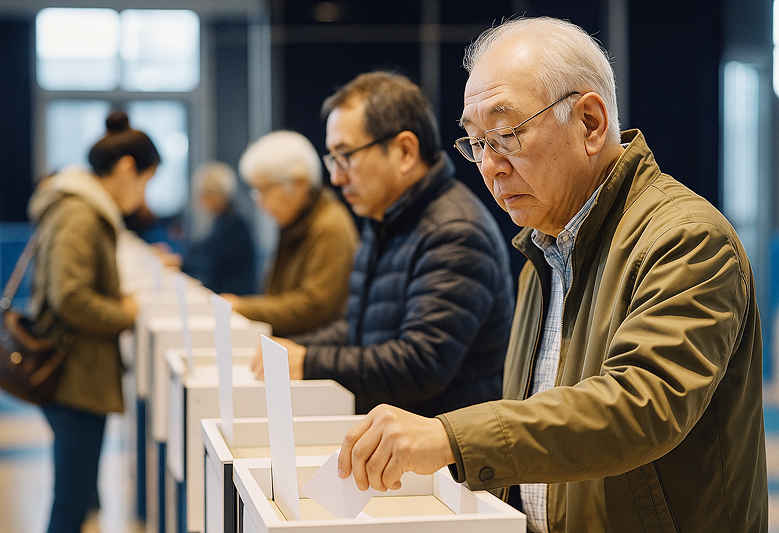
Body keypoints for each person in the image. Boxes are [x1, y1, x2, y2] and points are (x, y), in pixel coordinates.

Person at [335, 16, 768, 533]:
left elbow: (637, 407)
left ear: (589, 122)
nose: (490, 165)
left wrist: (450, 438)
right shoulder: (541, 254)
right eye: (476, 142)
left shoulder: (686, 239)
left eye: (506, 133)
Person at [252, 71, 515, 418]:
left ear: (405, 151)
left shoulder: (454, 231)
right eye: (332, 159)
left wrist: (311, 361)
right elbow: (359, 327)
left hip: (445, 464)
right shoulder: (384, 219)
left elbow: (421, 365)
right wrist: (295, 350)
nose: (336, 177)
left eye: (346, 156)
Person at [28, 111, 160, 533]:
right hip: (75, 379)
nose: (144, 195)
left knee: (74, 498)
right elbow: (70, 296)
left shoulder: (80, 207)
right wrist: (124, 313)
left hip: (77, 375)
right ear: (126, 169)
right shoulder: (81, 214)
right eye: (146, 180)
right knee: (70, 505)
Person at [220, 130, 359, 337]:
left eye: (265, 189)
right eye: (255, 191)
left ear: (299, 183)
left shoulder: (330, 225)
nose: (259, 201)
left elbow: (315, 307)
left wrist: (243, 308)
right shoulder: (296, 221)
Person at [157, 161, 258, 295]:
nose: (201, 201)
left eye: (205, 195)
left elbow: (212, 264)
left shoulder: (234, 225)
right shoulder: (222, 220)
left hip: (231, 295)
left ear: (219, 195)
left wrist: (181, 263)